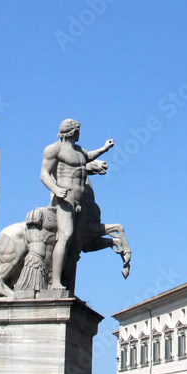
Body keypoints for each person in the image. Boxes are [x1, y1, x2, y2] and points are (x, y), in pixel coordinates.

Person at [40, 119, 114, 290]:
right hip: (65, 199)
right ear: (73, 132)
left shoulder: (79, 150)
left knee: (76, 243)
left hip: (81, 201)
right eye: (78, 131)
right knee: (65, 236)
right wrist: (56, 189)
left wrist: (104, 148)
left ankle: (68, 283)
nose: (80, 134)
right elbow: (44, 174)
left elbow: (89, 157)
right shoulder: (54, 149)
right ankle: (56, 281)